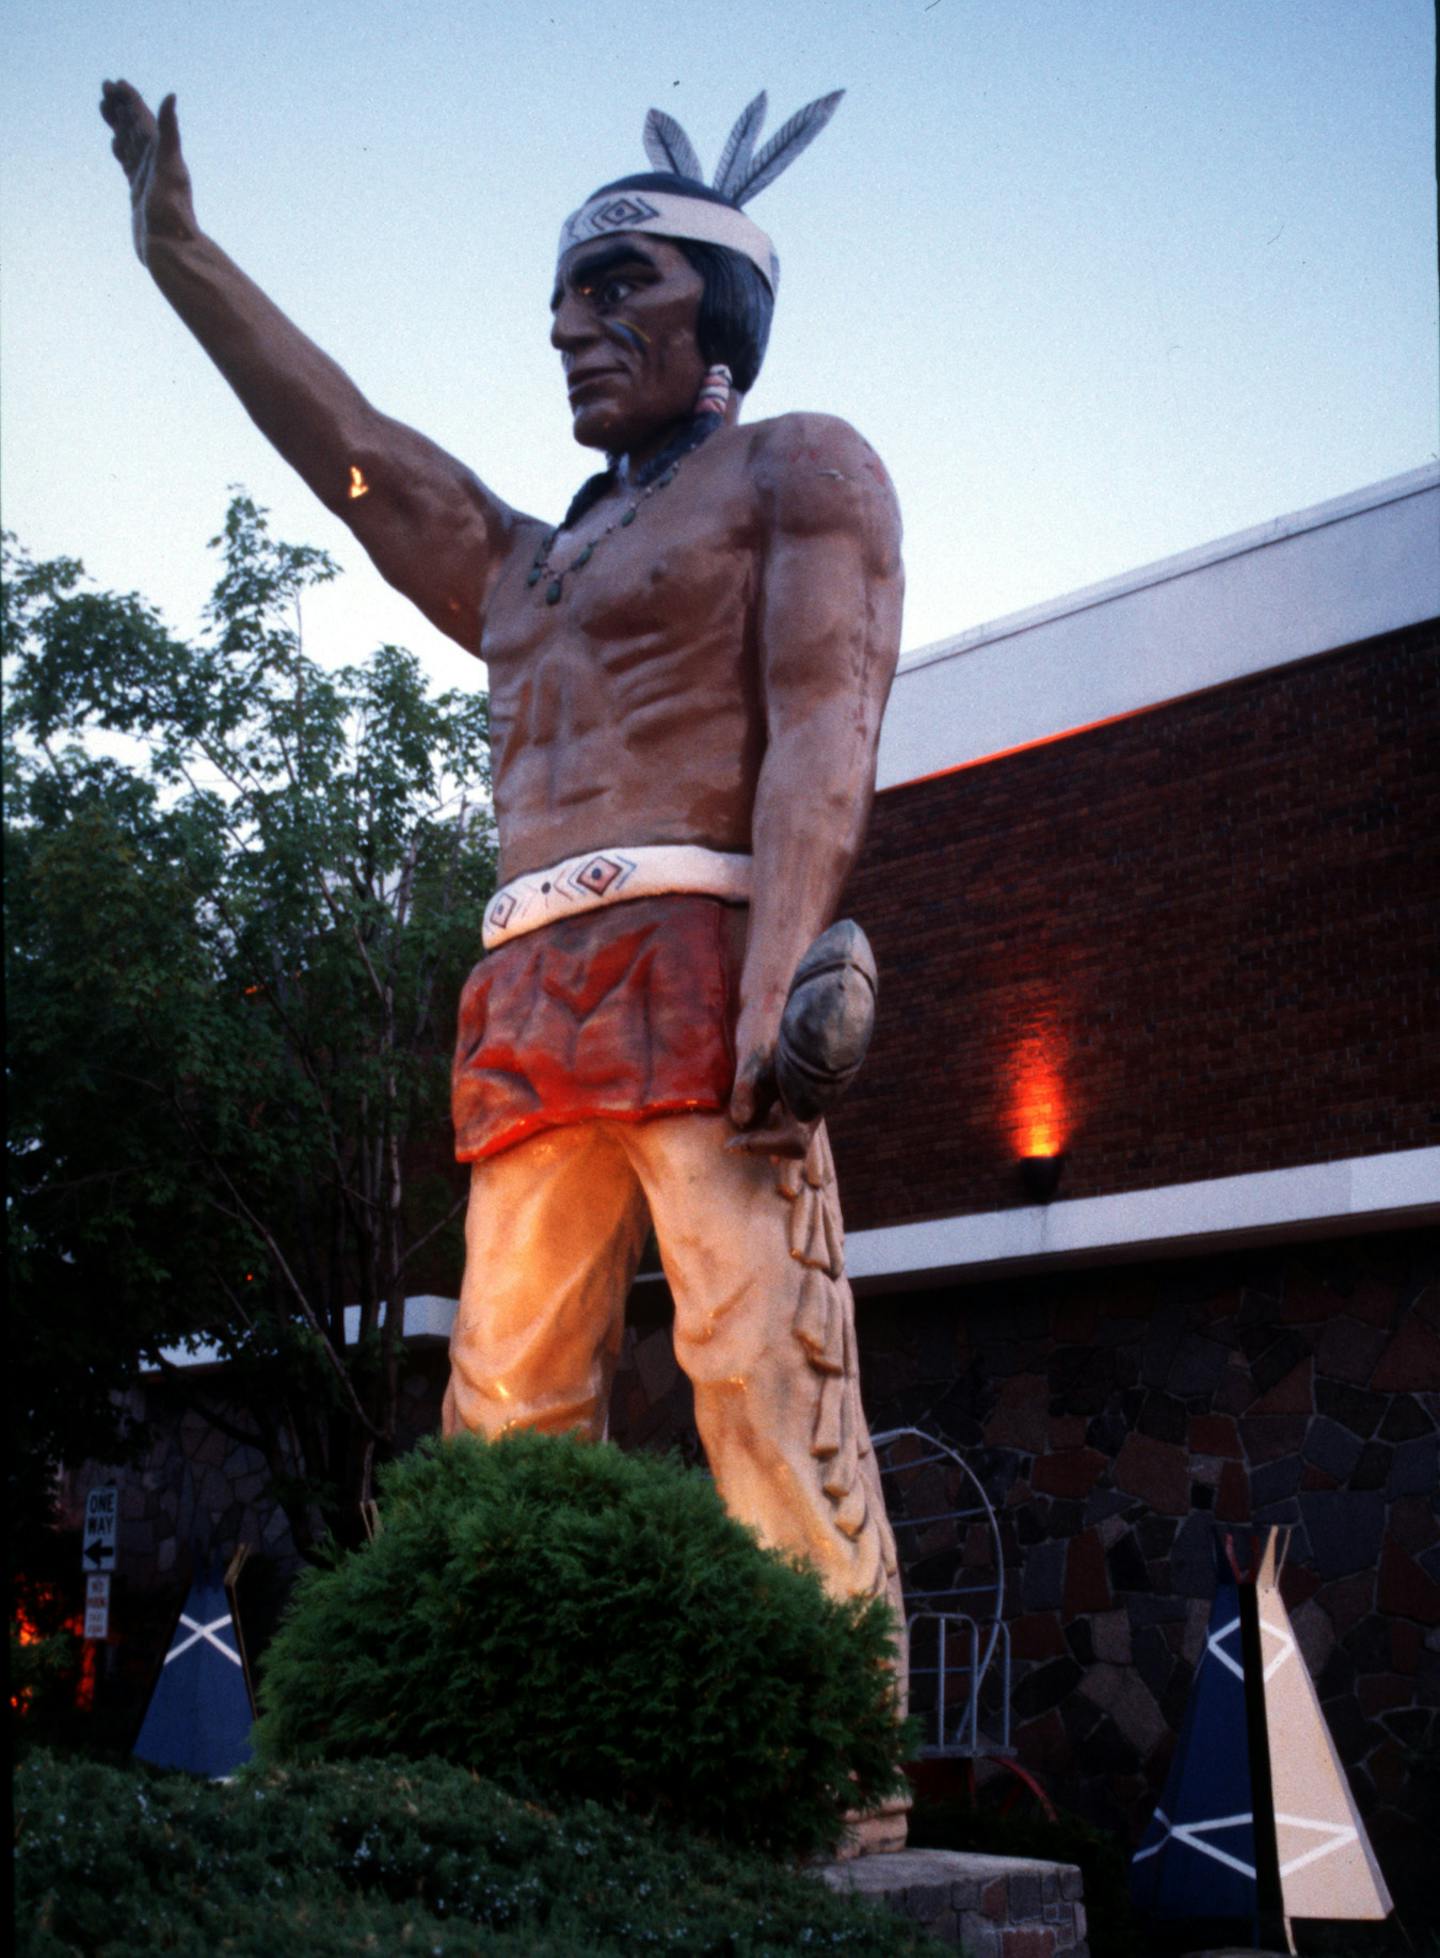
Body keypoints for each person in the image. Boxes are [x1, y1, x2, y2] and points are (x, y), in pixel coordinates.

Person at [100, 81, 905, 1620]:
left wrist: (782, 971)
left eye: (617, 288)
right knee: (505, 1393)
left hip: (708, 946)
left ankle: (832, 1741)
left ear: (717, 314)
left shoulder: (802, 466)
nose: (568, 329)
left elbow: (824, 722)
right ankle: (491, 1713)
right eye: (559, 301)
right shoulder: (521, 565)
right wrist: (180, 255)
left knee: (756, 1361)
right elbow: (353, 454)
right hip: (532, 979)